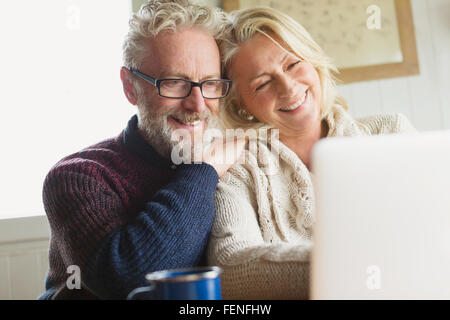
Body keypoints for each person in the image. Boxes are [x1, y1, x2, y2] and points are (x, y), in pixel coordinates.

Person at [39, 0, 244, 300]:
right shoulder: (76, 177)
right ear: (130, 87)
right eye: (175, 83)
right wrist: (203, 172)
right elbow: (131, 281)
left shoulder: (234, 164)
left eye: (210, 84)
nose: (198, 105)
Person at [207, 6, 417, 299]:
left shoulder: (389, 132)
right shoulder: (237, 172)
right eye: (263, 83)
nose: (288, 87)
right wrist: (353, 265)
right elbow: (230, 267)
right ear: (240, 103)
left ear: (312, 59)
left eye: (293, 64)